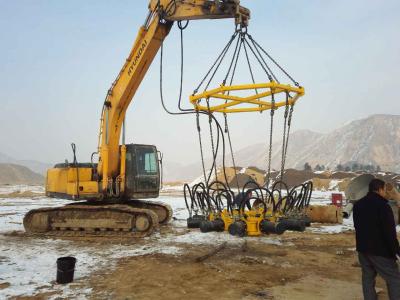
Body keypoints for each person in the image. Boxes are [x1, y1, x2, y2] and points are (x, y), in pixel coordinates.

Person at [353, 178, 400, 300]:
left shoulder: (358, 205)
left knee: (368, 278)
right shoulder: (384, 207)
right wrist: (396, 251)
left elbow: (357, 226)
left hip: (363, 249)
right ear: (379, 190)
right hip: (380, 251)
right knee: (394, 278)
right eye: (384, 190)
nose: (385, 193)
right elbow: (389, 233)